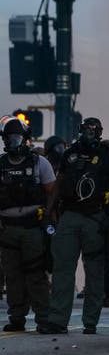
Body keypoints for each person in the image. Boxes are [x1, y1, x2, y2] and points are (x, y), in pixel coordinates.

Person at [47, 117, 109, 335]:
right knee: (62, 268)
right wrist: (48, 212)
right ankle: (57, 320)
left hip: (95, 216)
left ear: (100, 132)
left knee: (95, 272)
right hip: (70, 214)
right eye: (86, 129)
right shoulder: (70, 154)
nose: (90, 133)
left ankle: (90, 321)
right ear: (81, 130)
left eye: (94, 130)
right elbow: (59, 183)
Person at [0, 117, 55, 333]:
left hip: (33, 227)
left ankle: (43, 317)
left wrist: (48, 216)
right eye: (8, 138)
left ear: (25, 139)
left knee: (36, 274)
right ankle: (17, 317)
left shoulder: (39, 163)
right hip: (7, 228)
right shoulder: (1, 164)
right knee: (12, 275)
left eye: (16, 138)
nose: (12, 142)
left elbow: (52, 191)